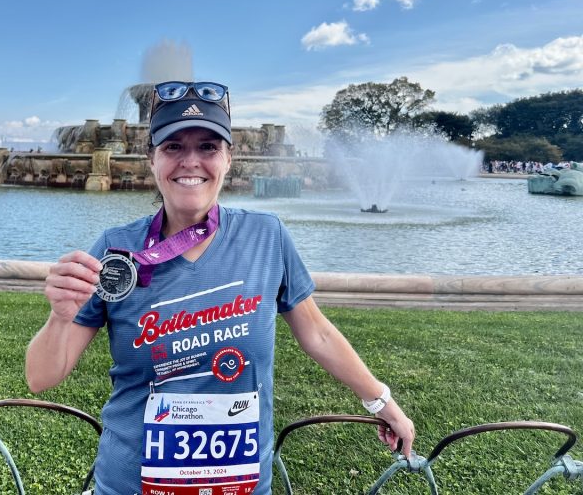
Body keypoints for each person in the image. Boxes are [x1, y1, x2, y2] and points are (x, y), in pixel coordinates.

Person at [25, 81, 415, 495]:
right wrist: (60, 316)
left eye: (208, 147)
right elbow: (40, 378)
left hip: (240, 486)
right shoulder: (115, 251)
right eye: (173, 147)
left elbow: (317, 334)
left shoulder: (268, 236)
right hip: (130, 483)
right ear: (151, 159)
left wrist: (381, 403)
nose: (190, 162)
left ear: (229, 158)